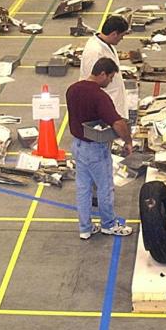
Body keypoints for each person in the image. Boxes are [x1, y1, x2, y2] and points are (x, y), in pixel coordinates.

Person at [65, 57, 135, 240]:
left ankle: (85, 228)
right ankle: (108, 225)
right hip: (95, 149)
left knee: (83, 188)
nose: (110, 81)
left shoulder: (72, 89)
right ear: (102, 73)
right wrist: (127, 140)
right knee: (105, 187)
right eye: (110, 77)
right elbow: (117, 123)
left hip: (78, 146)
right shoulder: (100, 96)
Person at [80, 15, 130, 121]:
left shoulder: (106, 44)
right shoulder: (94, 52)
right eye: (122, 35)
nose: (122, 38)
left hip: (113, 99)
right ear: (114, 34)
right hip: (105, 105)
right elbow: (92, 83)